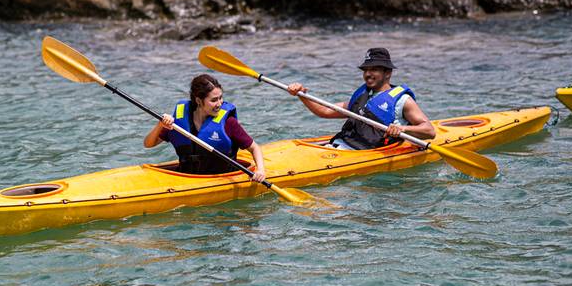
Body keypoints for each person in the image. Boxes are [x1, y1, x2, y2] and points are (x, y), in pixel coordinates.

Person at [287, 48, 436, 150]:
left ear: (388, 73)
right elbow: (325, 111)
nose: (368, 74)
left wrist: (402, 128)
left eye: (374, 69)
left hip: (364, 154)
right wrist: (302, 95)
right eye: (365, 70)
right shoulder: (363, 95)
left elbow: (429, 131)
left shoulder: (402, 101)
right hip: (339, 147)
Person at [144, 74, 267, 182]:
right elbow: (148, 144)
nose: (219, 104)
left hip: (222, 179)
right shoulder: (179, 122)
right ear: (198, 100)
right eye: (214, 100)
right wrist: (161, 124)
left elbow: (254, 148)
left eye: (220, 98)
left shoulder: (228, 123)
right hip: (186, 178)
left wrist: (260, 171)